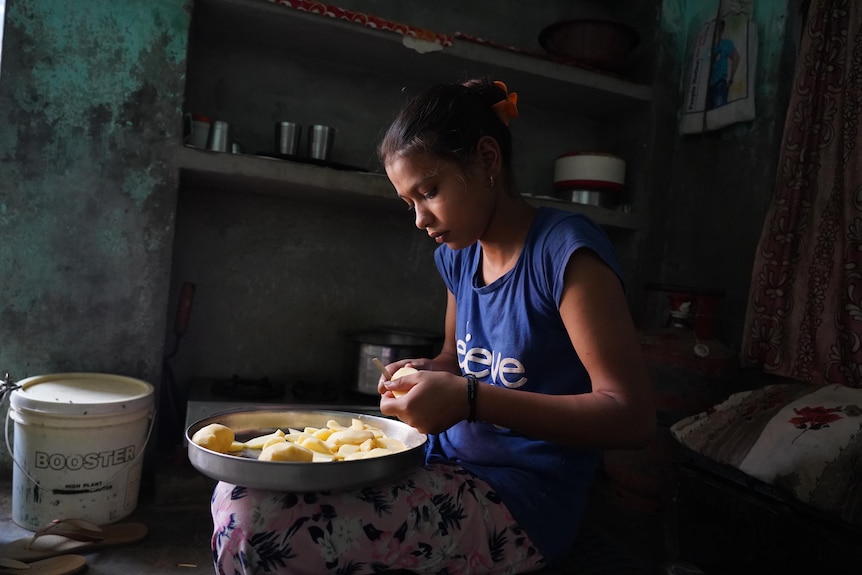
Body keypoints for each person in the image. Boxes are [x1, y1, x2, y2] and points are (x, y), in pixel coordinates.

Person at [210, 78, 654, 575]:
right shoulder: (459, 258)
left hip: (524, 500)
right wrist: (424, 373)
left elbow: (630, 417)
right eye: (409, 203)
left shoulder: (565, 254)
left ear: (487, 160)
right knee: (242, 489)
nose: (420, 219)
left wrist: (468, 399)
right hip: (442, 462)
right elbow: (453, 359)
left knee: (262, 524)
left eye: (430, 191)